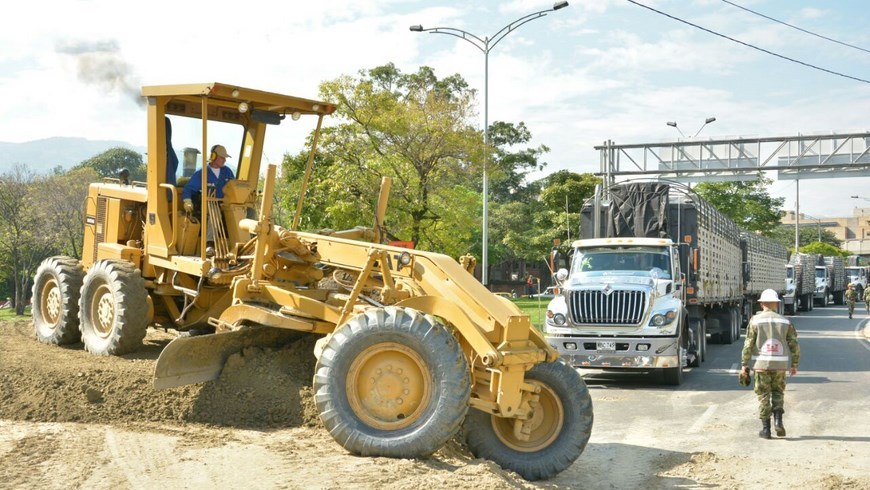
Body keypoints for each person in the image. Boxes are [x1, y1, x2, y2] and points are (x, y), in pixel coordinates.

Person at [740, 289, 800, 439]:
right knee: (778, 393)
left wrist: (744, 364)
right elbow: (794, 345)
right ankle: (778, 422)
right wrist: (794, 364)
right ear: (776, 304)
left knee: (763, 396)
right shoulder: (785, 322)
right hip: (780, 366)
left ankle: (766, 430)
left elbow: (748, 344)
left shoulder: (754, 321)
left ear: (761, 304)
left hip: (761, 365)